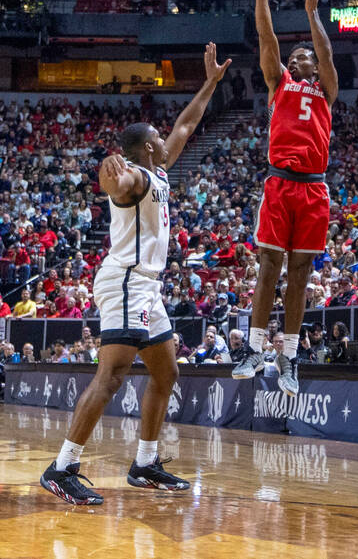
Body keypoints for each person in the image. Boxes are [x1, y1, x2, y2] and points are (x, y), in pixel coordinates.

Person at [40, 42, 227, 505]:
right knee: (112, 376)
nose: (168, 139)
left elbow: (186, 124)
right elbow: (118, 185)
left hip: (146, 287)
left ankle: (145, 462)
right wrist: (109, 178)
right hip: (125, 281)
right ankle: (61, 467)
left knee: (166, 374)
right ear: (147, 147)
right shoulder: (139, 177)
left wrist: (210, 84)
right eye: (159, 138)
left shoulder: (159, 173)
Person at [233, 0, 338, 398]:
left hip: (313, 187)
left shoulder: (325, 89)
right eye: (295, 56)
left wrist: (313, 14)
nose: (300, 58)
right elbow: (267, 36)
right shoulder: (278, 83)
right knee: (268, 269)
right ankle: (255, 349)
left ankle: (289, 357)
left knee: (299, 275)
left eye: (305, 56)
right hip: (279, 182)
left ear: (314, 67)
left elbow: (328, 52)